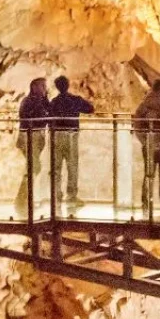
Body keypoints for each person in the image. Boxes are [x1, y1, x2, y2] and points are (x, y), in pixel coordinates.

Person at [132, 79, 160, 215]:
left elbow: (137, 126)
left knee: (148, 175)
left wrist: (144, 141)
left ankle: (146, 206)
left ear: (152, 89)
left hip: (148, 145)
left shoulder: (143, 106)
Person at [48, 76, 96, 205]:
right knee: (72, 166)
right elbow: (90, 109)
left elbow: (48, 118)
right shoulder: (75, 100)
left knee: (56, 168)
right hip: (71, 135)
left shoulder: (54, 102)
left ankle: (56, 195)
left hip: (56, 135)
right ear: (68, 85)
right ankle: (71, 196)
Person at [17, 78, 52, 216]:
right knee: (34, 167)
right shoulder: (29, 101)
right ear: (34, 87)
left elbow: (49, 111)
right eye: (42, 86)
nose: (45, 89)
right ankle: (23, 200)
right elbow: (39, 116)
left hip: (35, 137)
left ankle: (25, 199)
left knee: (33, 168)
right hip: (29, 137)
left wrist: (46, 98)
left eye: (45, 86)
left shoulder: (39, 100)